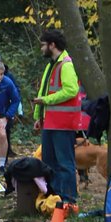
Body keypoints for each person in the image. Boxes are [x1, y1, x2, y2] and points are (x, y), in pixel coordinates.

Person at [33, 28, 83, 207]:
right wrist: (39, 116)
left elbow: (71, 90)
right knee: (50, 162)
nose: (41, 49)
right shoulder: (51, 65)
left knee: (64, 163)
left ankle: (68, 200)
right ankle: (55, 198)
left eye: (43, 45)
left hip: (63, 124)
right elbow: (44, 91)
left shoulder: (66, 65)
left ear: (52, 45)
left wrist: (45, 101)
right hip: (51, 123)